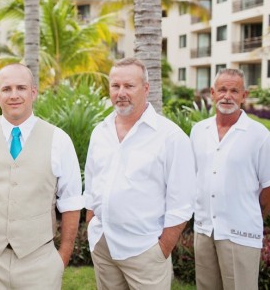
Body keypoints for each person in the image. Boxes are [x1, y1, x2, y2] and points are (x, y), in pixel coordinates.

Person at [0, 63, 83, 289]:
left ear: (33, 92)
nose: (14, 95)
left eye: (21, 88)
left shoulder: (59, 140)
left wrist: (62, 256)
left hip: (40, 261)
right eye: (7, 89)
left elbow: (71, 202)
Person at [83, 57, 195, 289]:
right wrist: (91, 221)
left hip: (145, 250)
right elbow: (92, 183)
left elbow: (182, 201)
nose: (121, 92)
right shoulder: (100, 131)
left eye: (129, 86)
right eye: (116, 86)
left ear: (145, 88)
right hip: (103, 245)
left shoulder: (170, 137)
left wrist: (162, 248)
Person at [190, 68, 270, 290]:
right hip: (204, 229)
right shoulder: (198, 131)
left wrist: (247, 213)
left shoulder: (260, 136)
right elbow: (194, 177)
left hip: (240, 232)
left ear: (244, 96)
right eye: (222, 90)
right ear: (213, 93)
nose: (227, 96)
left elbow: (268, 188)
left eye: (234, 91)